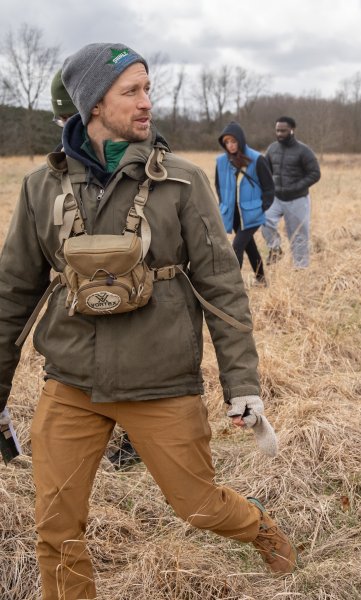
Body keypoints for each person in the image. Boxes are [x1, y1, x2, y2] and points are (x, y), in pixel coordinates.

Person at [0, 43, 296, 600]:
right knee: (55, 529)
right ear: (92, 105)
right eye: (130, 91)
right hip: (70, 386)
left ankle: (259, 525)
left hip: (161, 383)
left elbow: (221, 285)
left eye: (147, 89)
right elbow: (12, 293)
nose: (146, 103)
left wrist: (243, 384)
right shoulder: (41, 187)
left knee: (200, 506)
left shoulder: (180, 182)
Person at [50, 68, 142, 470]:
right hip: (77, 329)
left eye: (69, 119)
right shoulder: (53, 175)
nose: (65, 129)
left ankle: (134, 440)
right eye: (59, 121)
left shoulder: (144, 163)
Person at [215, 121, 275, 287]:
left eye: (233, 141)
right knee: (250, 246)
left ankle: (233, 287)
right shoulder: (221, 161)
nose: (230, 145)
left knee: (237, 247)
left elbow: (269, 188)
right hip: (232, 213)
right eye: (226, 142)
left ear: (240, 140)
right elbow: (219, 186)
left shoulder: (257, 159)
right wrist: (224, 204)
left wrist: (261, 208)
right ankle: (261, 280)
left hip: (252, 213)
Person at [262, 116, 321, 268]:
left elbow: (315, 173)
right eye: (277, 130)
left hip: (297, 199)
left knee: (299, 235)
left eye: (283, 130)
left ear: (292, 130)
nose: (280, 133)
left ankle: (300, 268)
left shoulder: (304, 151)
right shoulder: (272, 149)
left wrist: (296, 187)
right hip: (275, 198)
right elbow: (265, 170)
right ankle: (275, 249)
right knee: (264, 220)